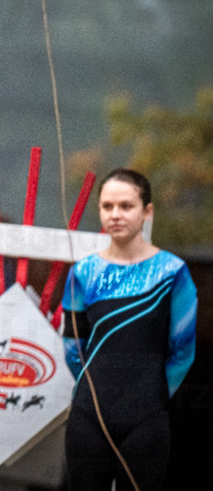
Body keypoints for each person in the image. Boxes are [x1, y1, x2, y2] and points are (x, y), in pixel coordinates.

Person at [61, 168, 197, 491]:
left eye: (126, 206)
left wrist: (151, 394)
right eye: (107, 207)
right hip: (88, 415)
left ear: (147, 212)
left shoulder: (172, 273)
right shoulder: (83, 273)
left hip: (146, 417)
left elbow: (184, 351)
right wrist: (94, 387)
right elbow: (71, 344)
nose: (115, 215)